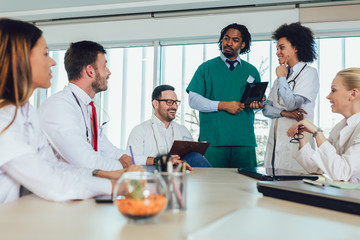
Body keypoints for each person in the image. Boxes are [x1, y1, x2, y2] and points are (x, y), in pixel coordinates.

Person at [0, 18, 143, 204]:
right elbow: (50, 181)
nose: (52, 62)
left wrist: (105, 174)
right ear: (19, 59)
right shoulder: (4, 120)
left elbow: (54, 167)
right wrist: (116, 187)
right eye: (45, 54)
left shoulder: (26, 112)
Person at [38, 40, 154, 170]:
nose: (108, 72)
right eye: (104, 66)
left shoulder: (86, 108)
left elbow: (111, 152)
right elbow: (86, 162)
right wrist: (126, 167)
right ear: (90, 71)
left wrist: (151, 161)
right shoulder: (59, 107)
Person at [186, 23, 263, 168]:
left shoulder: (252, 71)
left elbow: (255, 102)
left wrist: (257, 104)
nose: (228, 43)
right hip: (214, 141)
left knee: (246, 186)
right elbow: (193, 100)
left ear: (243, 44)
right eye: (226, 38)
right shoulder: (206, 68)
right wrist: (222, 105)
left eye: (235, 40)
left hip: (243, 141)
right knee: (213, 186)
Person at [263, 22, 319, 171]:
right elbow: (266, 109)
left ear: (296, 47)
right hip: (276, 145)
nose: (277, 52)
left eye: (281, 48)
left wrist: (282, 78)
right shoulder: (280, 78)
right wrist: (285, 114)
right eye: (277, 48)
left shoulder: (309, 73)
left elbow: (292, 104)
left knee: (295, 188)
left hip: (296, 143)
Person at [287, 68, 360, 183]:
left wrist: (317, 133)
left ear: (353, 94)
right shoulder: (339, 128)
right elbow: (316, 167)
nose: (328, 96)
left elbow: (342, 173)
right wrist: (302, 136)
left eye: (333, 90)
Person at [127, 85, 212, 168]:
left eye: (176, 102)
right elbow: (131, 159)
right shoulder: (139, 130)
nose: (174, 106)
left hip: (180, 174)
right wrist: (158, 161)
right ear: (156, 104)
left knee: (195, 156)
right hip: (152, 173)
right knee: (195, 157)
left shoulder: (183, 130)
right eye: (169, 102)